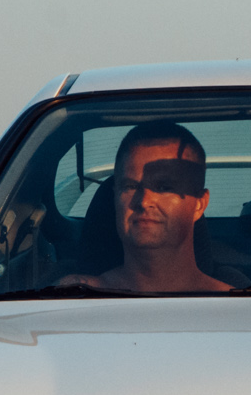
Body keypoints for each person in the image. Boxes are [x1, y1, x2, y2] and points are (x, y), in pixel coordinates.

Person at [60, 122, 234, 292]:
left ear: (199, 204)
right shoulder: (68, 297)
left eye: (164, 188)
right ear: (115, 198)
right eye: (130, 187)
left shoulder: (235, 305)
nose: (144, 201)